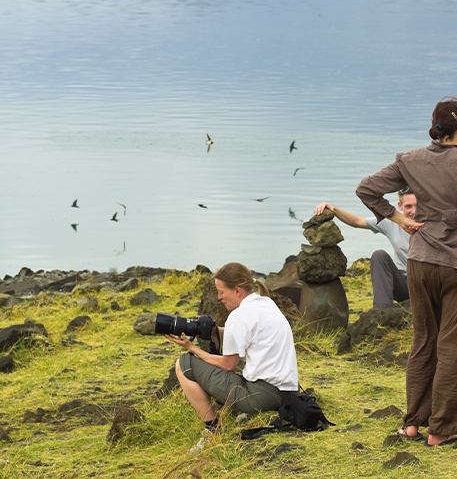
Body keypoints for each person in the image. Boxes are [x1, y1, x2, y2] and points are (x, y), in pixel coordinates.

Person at [356, 97, 457, 447]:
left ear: (435, 127)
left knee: (424, 340)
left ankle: (413, 423)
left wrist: (400, 219)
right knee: (455, 343)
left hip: (420, 262)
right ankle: (442, 428)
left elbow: (366, 189)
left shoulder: (409, 161)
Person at [166, 263, 299, 437]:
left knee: (184, 364)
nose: (219, 297)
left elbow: (228, 365)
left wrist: (191, 348)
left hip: (263, 396)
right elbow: (245, 334)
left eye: (221, 292)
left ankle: (212, 431)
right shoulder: (265, 302)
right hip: (288, 392)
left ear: (237, 291)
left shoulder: (238, 316)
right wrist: (214, 331)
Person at [313, 187, 416, 309]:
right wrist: (333, 209)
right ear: (400, 206)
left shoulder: (433, 224)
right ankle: (381, 313)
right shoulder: (391, 222)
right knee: (379, 256)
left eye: (417, 206)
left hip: (429, 286)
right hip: (404, 287)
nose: (413, 211)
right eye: (409, 206)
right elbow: (356, 221)